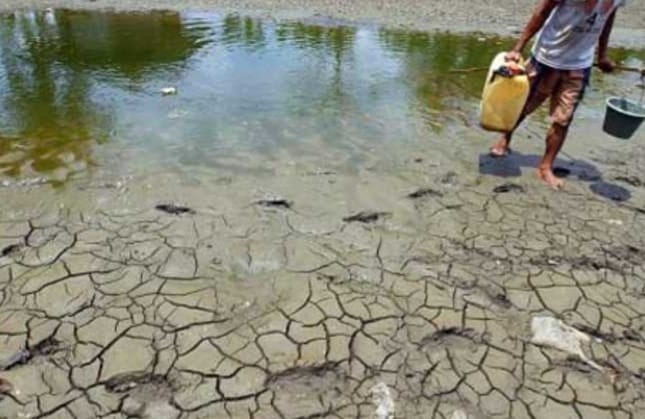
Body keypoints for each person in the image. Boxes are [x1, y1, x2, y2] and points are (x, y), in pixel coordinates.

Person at [490, 0, 626, 189]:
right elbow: (542, 12)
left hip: (579, 64)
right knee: (523, 106)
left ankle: (546, 166)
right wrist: (517, 49)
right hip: (546, 56)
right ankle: (505, 139)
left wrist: (602, 54)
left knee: (563, 119)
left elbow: (608, 16)